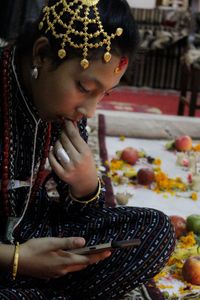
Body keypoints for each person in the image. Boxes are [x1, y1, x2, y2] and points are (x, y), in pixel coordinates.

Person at [0, 0, 176, 299]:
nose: (90, 110)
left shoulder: (65, 111)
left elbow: (82, 218)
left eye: (104, 95)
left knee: (155, 230)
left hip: (33, 229)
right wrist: (18, 259)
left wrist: (84, 186)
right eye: (84, 87)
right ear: (42, 54)